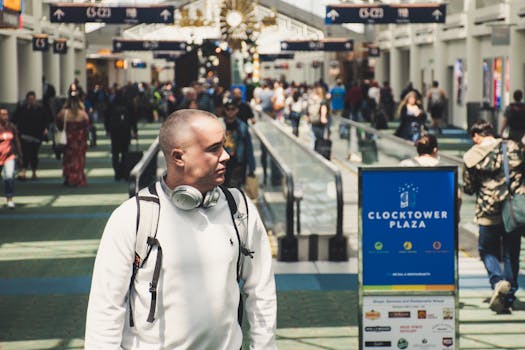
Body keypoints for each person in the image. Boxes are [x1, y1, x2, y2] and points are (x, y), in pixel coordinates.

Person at [85, 109, 276, 349]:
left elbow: (261, 291)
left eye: (224, 146)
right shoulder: (133, 217)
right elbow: (106, 308)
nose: (226, 155)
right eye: (213, 149)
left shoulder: (240, 208)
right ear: (178, 157)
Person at [463, 120, 525, 314]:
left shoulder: (472, 156)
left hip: (487, 210)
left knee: (486, 249)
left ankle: (498, 281)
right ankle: (509, 293)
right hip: (512, 209)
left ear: (476, 136)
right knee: (511, 253)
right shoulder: (512, 146)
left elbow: (469, 187)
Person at [55, 84, 90, 187]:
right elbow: (87, 126)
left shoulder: (64, 113)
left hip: (68, 139)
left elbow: (58, 123)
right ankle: (78, 178)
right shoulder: (82, 113)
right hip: (80, 140)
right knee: (79, 159)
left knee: (68, 159)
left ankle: (69, 177)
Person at [12, 91, 48, 181]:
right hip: (25, 135)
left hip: (36, 135)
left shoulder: (40, 109)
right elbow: (14, 119)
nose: (31, 101)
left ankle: (34, 172)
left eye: (33, 99)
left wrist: (45, 129)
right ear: (27, 100)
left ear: (35, 99)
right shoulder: (22, 109)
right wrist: (15, 128)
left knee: (34, 154)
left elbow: (45, 120)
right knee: (25, 153)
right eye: (29, 99)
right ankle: (23, 171)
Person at [222, 100, 256, 188]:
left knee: (234, 188)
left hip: (237, 162)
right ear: (224, 110)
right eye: (228, 109)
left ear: (237, 110)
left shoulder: (242, 126)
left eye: (232, 109)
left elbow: (248, 146)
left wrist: (252, 166)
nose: (230, 111)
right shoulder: (220, 124)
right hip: (222, 162)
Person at [105, 90, 138, 180]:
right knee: (125, 152)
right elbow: (133, 118)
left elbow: (106, 117)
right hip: (125, 131)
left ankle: (117, 173)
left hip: (114, 132)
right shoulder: (128, 104)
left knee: (115, 153)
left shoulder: (112, 104)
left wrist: (107, 129)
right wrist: (135, 131)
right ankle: (124, 171)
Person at [0, 108, 22, 209]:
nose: (5, 117)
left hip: (9, 156)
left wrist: (20, 154)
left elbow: (16, 141)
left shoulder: (11, 127)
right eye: (2, 114)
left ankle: (9, 199)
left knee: (9, 177)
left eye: (6, 114)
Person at [307, 84, 330, 149]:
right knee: (320, 140)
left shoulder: (312, 100)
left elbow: (307, 110)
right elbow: (323, 113)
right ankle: (318, 152)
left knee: (312, 139)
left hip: (313, 121)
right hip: (320, 123)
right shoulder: (323, 101)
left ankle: (312, 152)